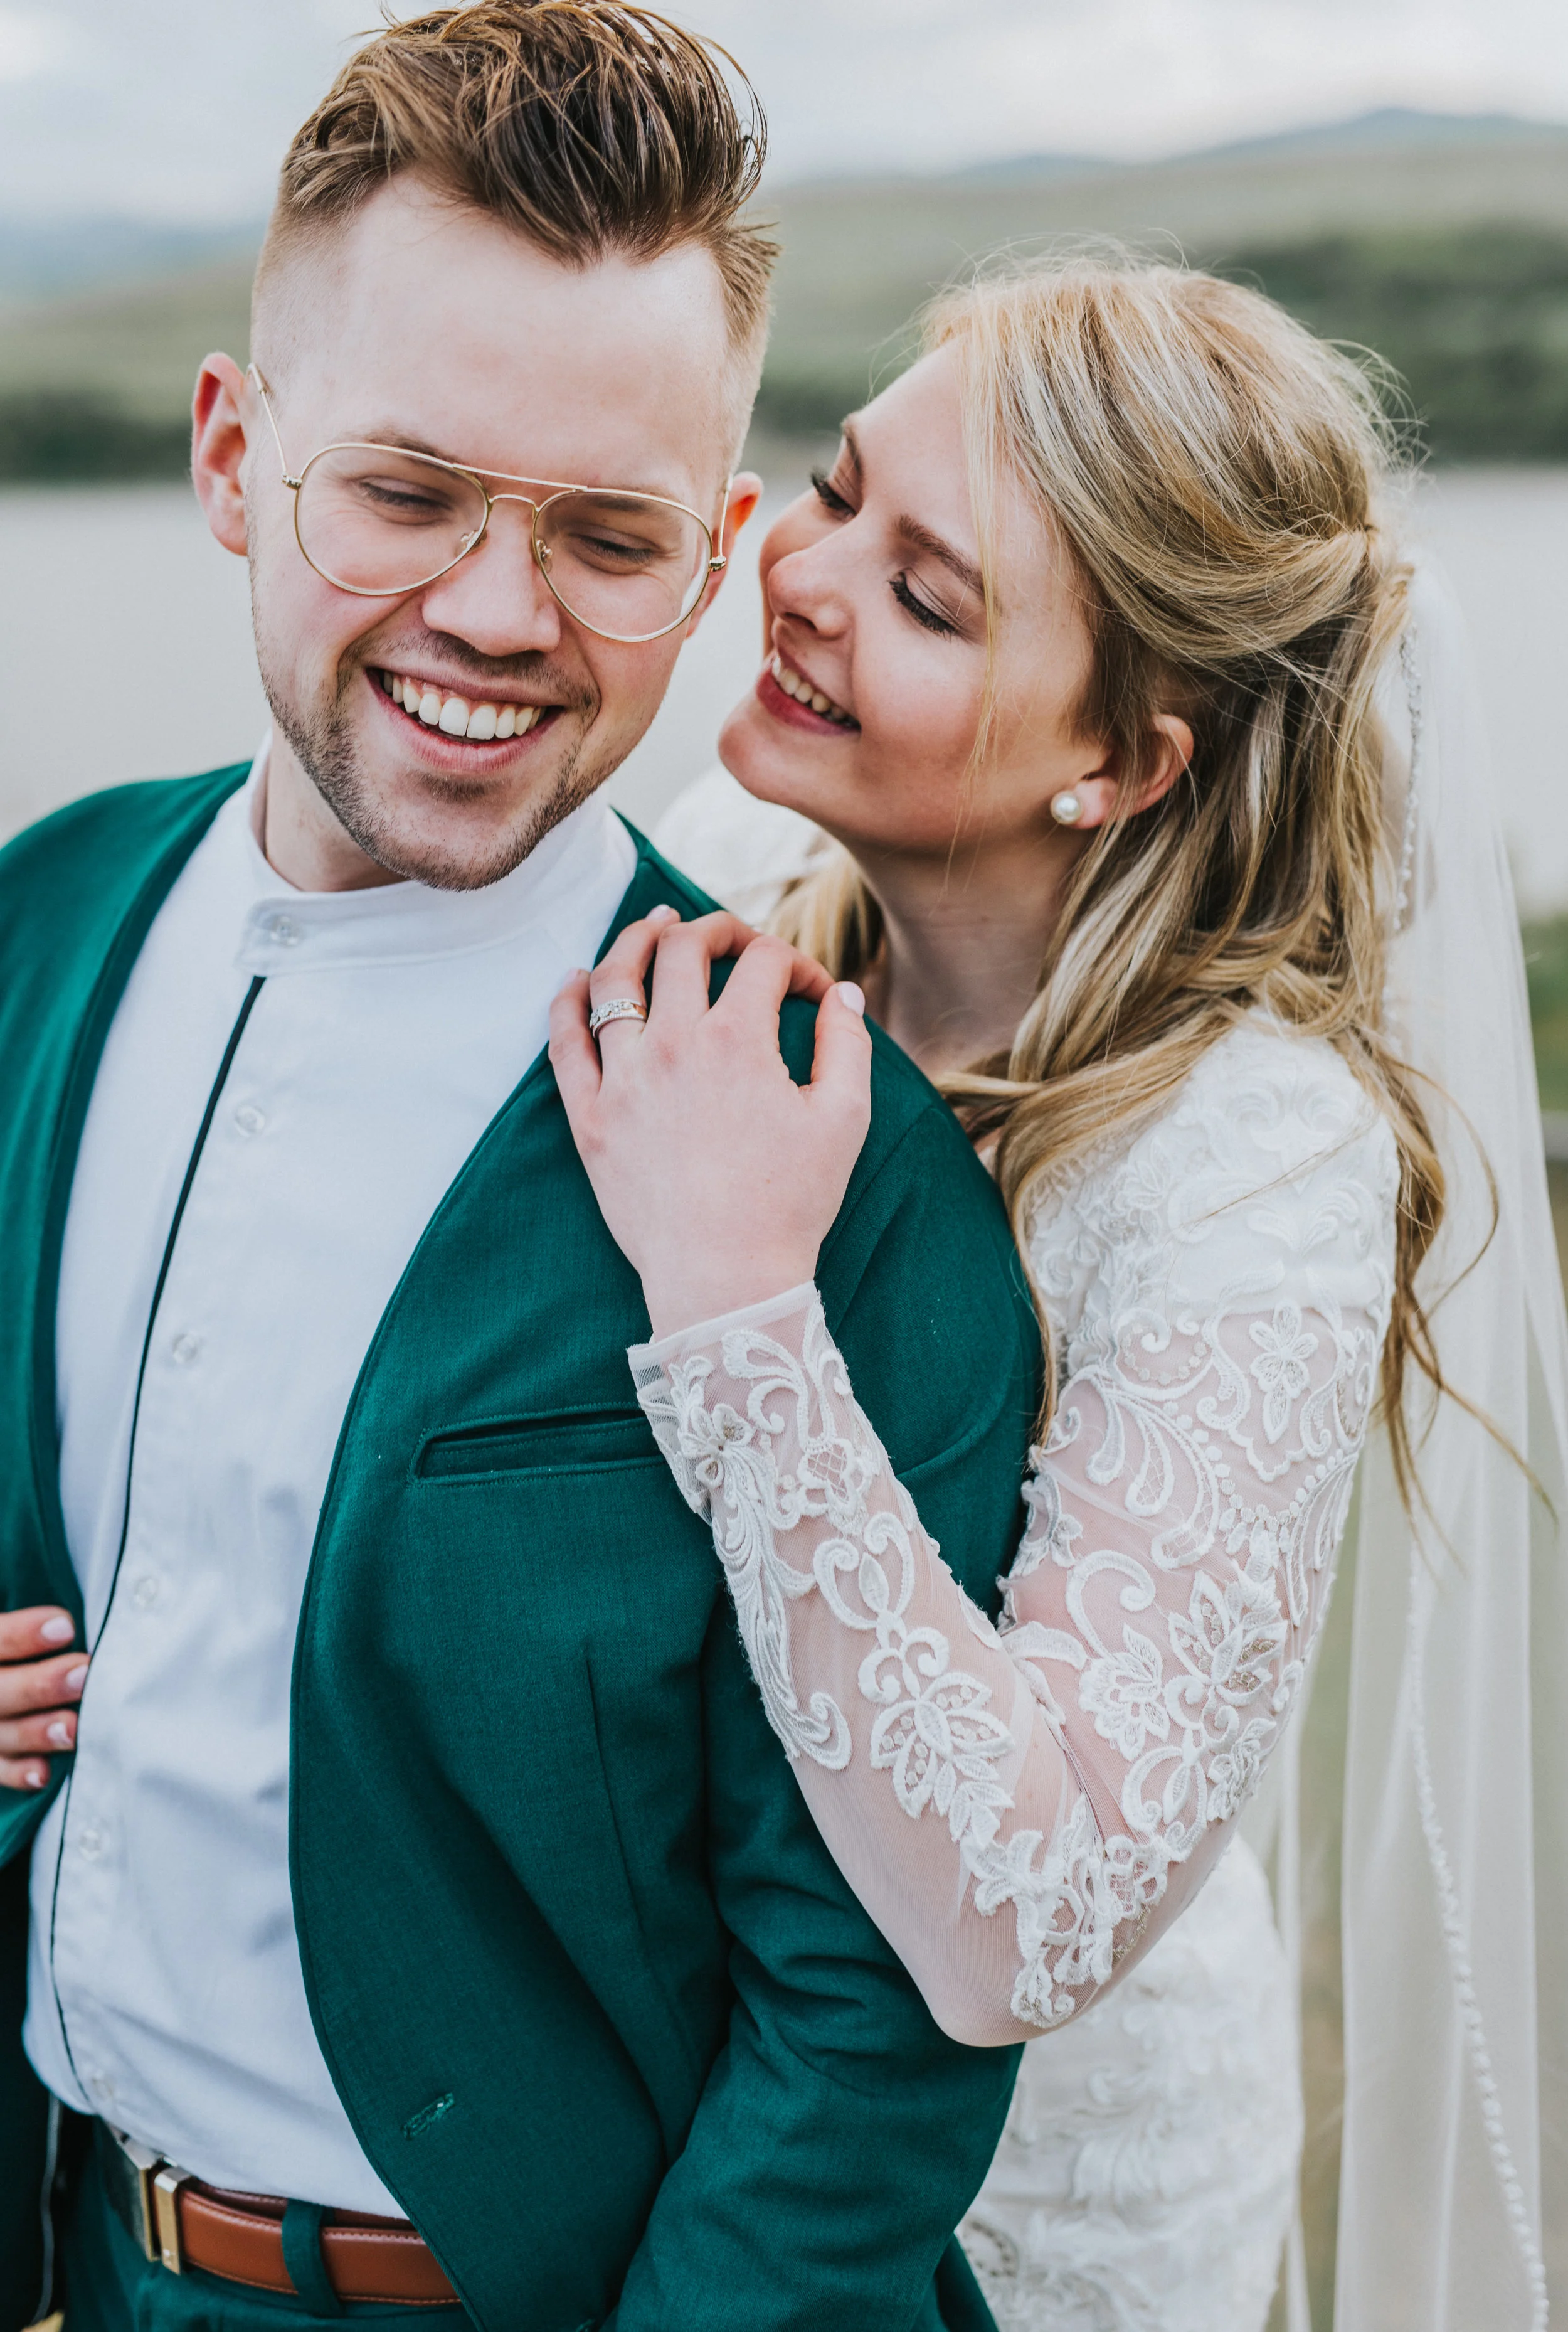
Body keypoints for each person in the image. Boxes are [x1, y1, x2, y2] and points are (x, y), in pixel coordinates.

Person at [0, 11, 1039, 2329]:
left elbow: (871, 2021)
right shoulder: (27, 928)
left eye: (605, 535)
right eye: (405, 493)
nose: (495, 609)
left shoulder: (827, 1153)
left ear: (719, 555)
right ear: (230, 454)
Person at [549, 257, 1568, 2330]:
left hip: (1034, 2223)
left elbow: (1041, 1902)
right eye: (834, 488)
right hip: (669, 2123)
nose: (802, 573)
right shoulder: (731, 876)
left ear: (1122, 761)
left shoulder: (1251, 1154)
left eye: (928, 596)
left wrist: (743, 1307)